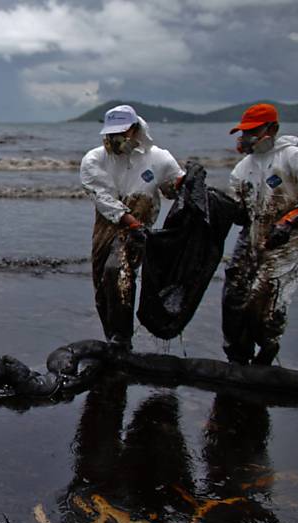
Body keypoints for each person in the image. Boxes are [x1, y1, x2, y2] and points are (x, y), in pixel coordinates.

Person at [223, 103, 298, 365]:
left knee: (266, 300)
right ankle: (237, 354)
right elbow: (237, 206)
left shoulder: (297, 158)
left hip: (285, 241)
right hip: (249, 239)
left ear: (272, 129)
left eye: (253, 131)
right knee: (234, 296)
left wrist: (293, 220)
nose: (247, 138)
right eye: (244, 132)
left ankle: (267, 350)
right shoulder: (243, 167)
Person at [80, 104, 184, 350]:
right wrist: (129, 221)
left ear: (135, 130)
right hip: (108, 227)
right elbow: (103, 198)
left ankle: (122, 338)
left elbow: (172, 190)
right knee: (103, 284)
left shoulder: (158, 158)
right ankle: (113, 336)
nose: (115, 139)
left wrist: (184, 182)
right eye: (111, 134)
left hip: (139, 231)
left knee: (118, 272)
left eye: (121, 133)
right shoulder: (95, 159)